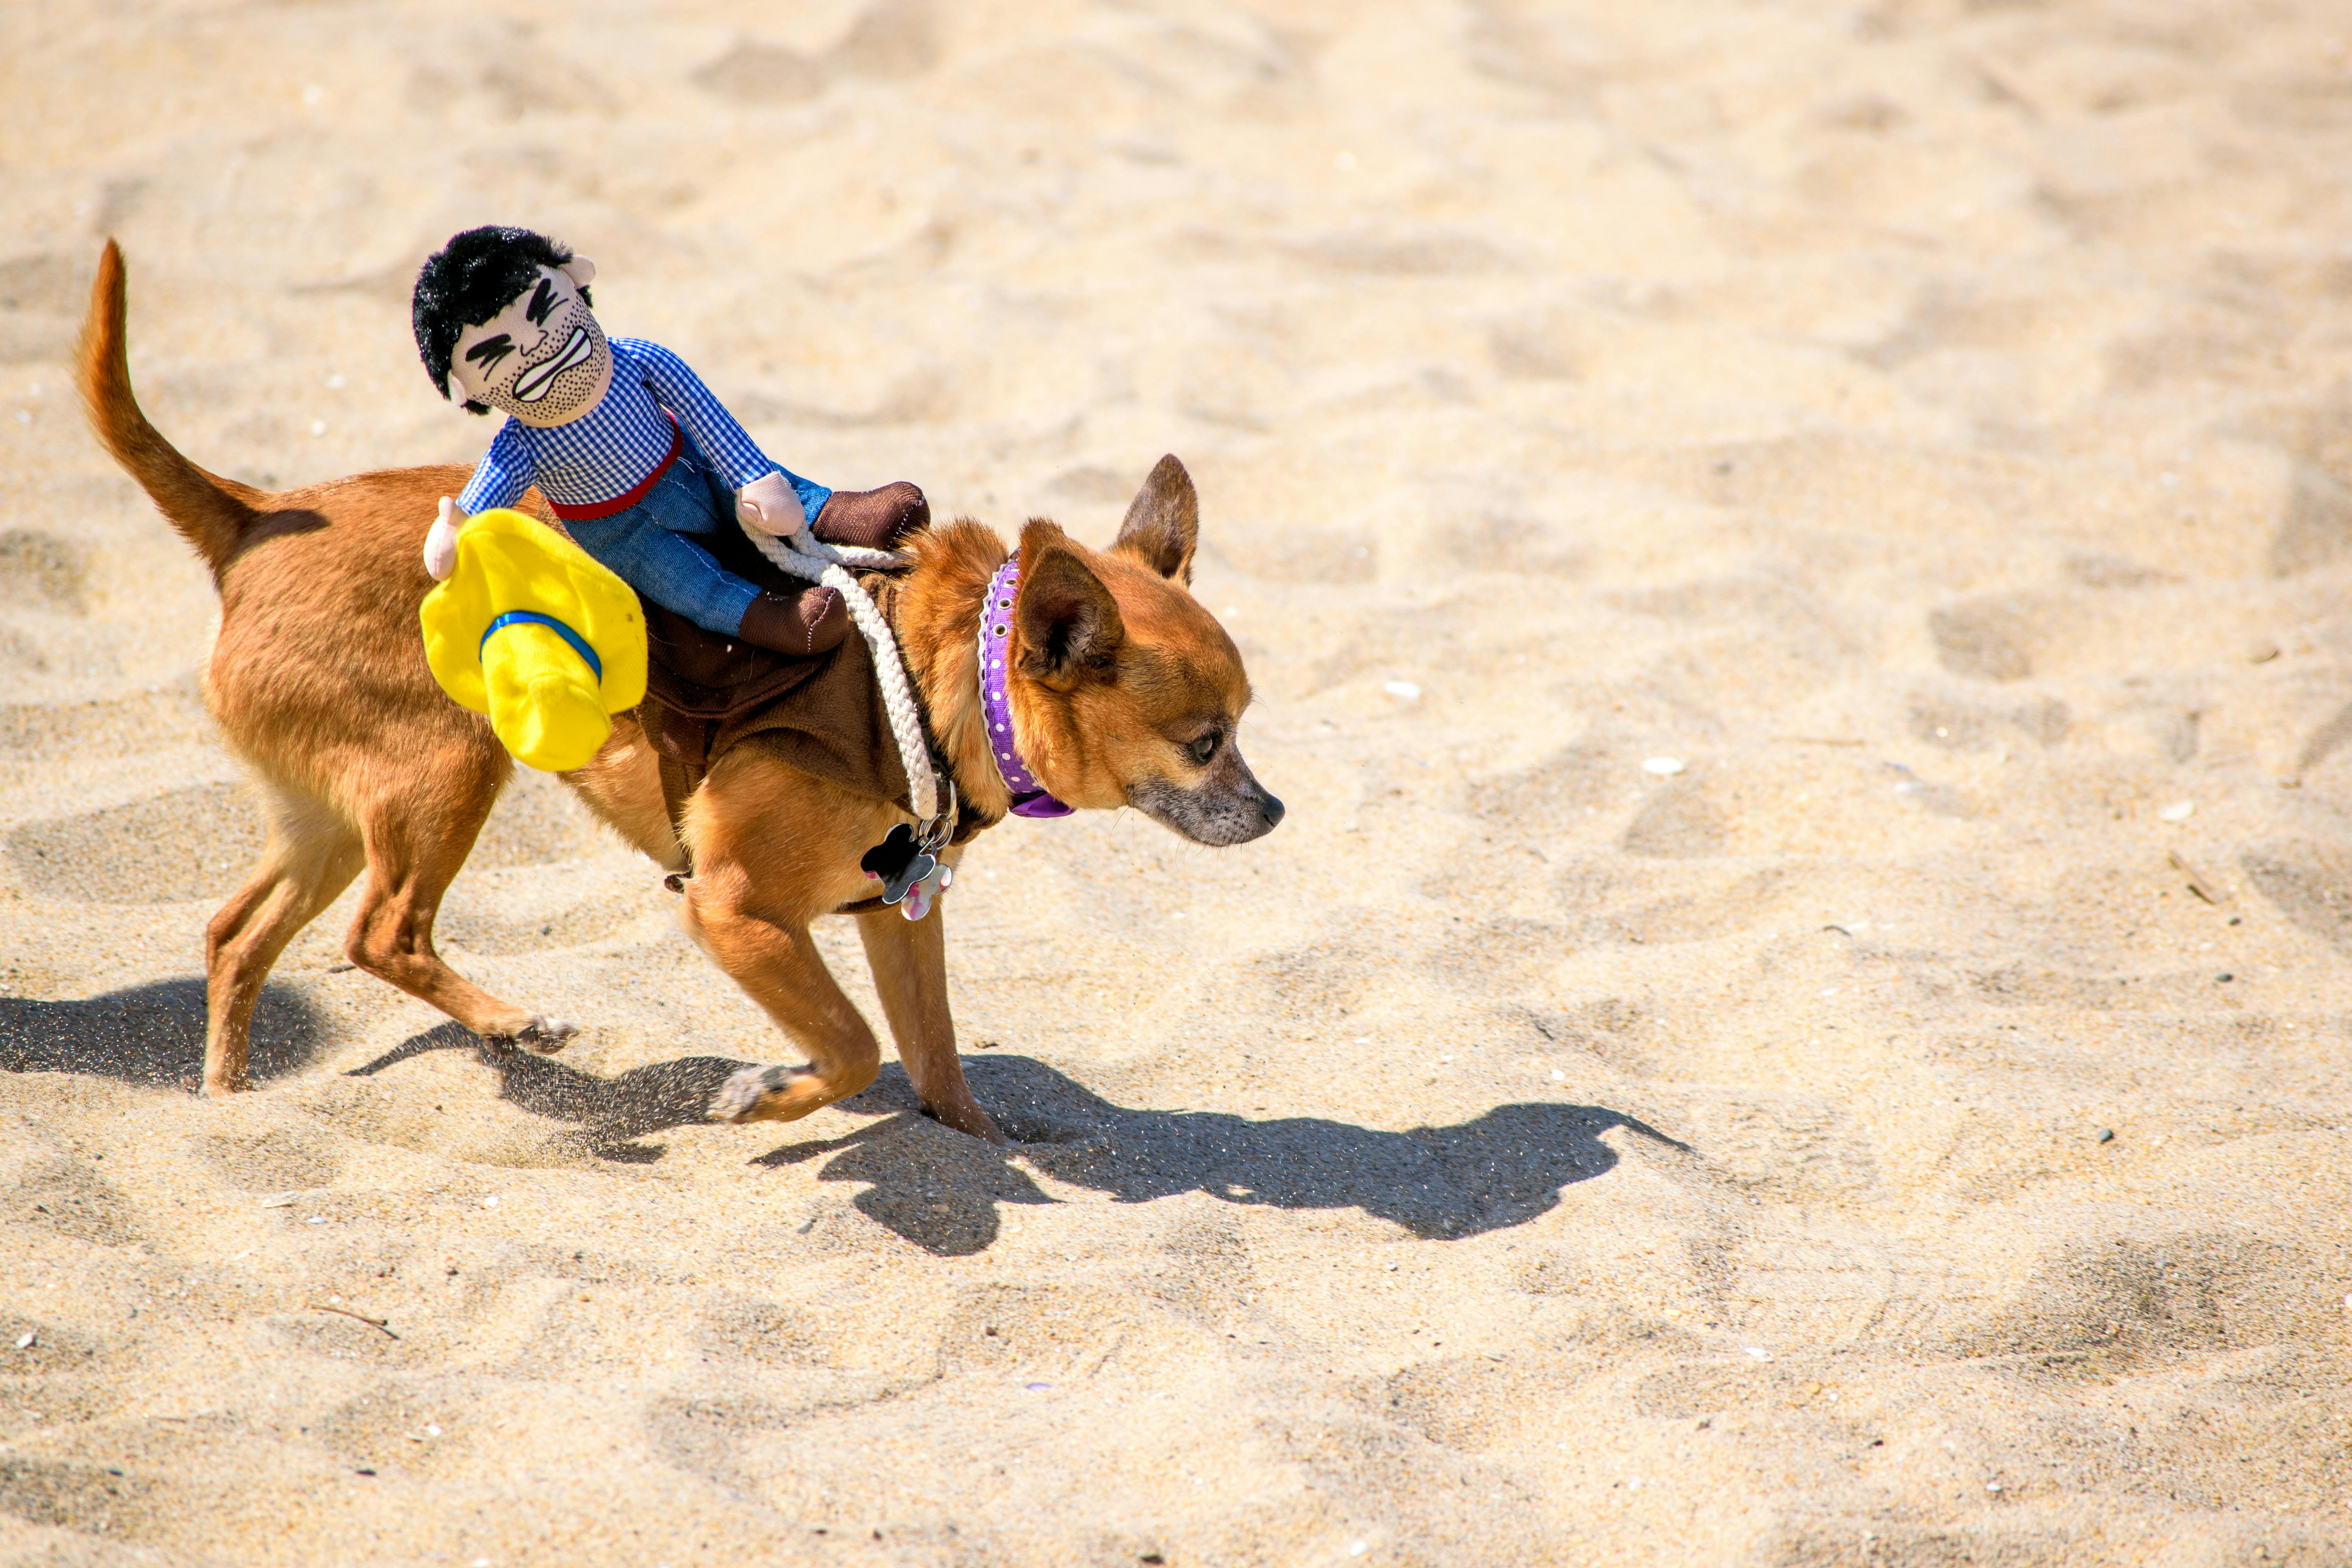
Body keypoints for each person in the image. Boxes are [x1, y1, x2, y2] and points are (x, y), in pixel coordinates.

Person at [411, 225, 924, 655]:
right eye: (498, 353)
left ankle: (839, 513)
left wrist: (753, 476)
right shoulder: (523, 445)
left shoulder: (639, 360)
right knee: (690, 584)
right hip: (625, 532)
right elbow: (484, 495)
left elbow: (709, 419)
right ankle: (775, 620)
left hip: (688, 464)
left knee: (764, 488)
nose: (537, 345)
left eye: (545, 309)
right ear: (467, 391)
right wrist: (456, 528)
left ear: (574, 280)